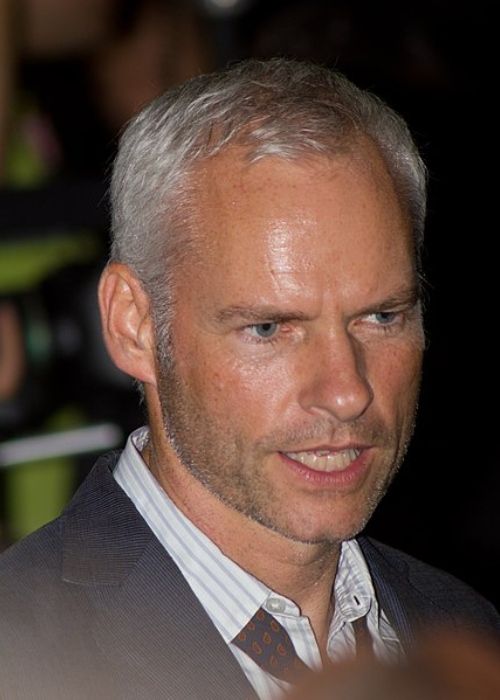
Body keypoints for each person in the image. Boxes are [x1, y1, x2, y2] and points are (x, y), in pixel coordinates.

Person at [0, 58, 498, 699]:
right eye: (268, 328)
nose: (347, 392)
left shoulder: (465, 633)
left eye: (381, 316)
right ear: (134, 327)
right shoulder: (21, 651)